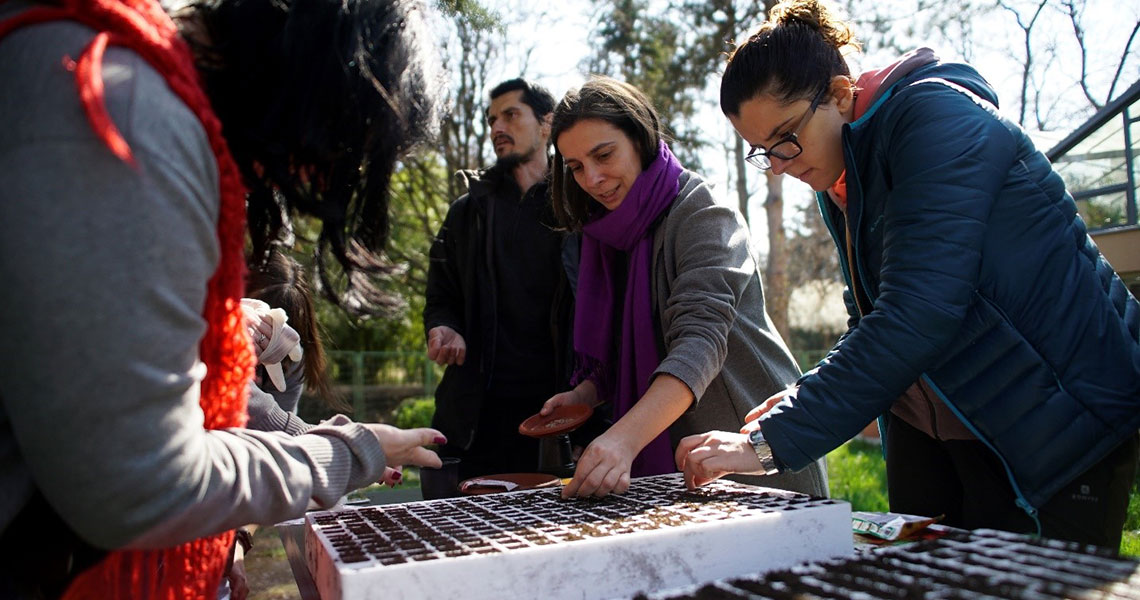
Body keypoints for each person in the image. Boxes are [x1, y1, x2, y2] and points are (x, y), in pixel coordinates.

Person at [0, 0, 447, 597]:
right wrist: (347, 452)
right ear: (327, 91)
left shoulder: (109, 74)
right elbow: (140, 483)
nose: (320, 181)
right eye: (347, 153)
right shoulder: (126, 113)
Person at [677, 0, 1140, 550]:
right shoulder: (841, 170)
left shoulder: (936, 118)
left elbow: (919, 311)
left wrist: (773, 441)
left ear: (840, 93)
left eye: (785, 137)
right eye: (763, 152)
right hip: (944, 433)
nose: (779, 163)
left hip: (1051, 429)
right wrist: (805, 394)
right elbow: (873, 315)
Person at [543, 76, 828, 499]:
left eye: (604, 155)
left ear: (640, 138)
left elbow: (700, 342)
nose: (593, 178)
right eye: (576, 167)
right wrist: (586, 393)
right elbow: (631, 347)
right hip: (670, 469)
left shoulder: (704, 213)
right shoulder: (607, 237)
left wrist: (623, 439)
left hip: (751, 459)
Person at [424, 78, 582, 481]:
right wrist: (446, 327)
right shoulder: (467, 211)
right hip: (475, 420)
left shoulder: (579, 209)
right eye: (492, 119)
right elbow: (441, 296)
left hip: (557, 418)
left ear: (547, 125)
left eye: (511, 115)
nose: (497, 127)